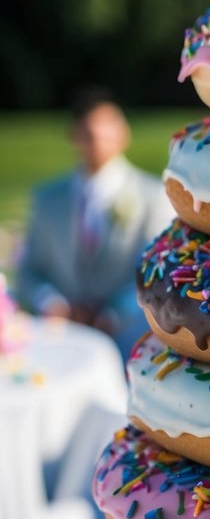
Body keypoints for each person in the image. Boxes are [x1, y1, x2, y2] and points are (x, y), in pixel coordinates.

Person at [15, 88, 171, 358]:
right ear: (74, 135)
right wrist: (52, 303)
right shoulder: (47, 198)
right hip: (62, 339)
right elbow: (29, 269)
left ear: (123, 133)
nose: (98, 138)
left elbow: (158, 270)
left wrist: (114, 312)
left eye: (107, 127)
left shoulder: (152, 195)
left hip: (128, 339)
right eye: (88, 131)